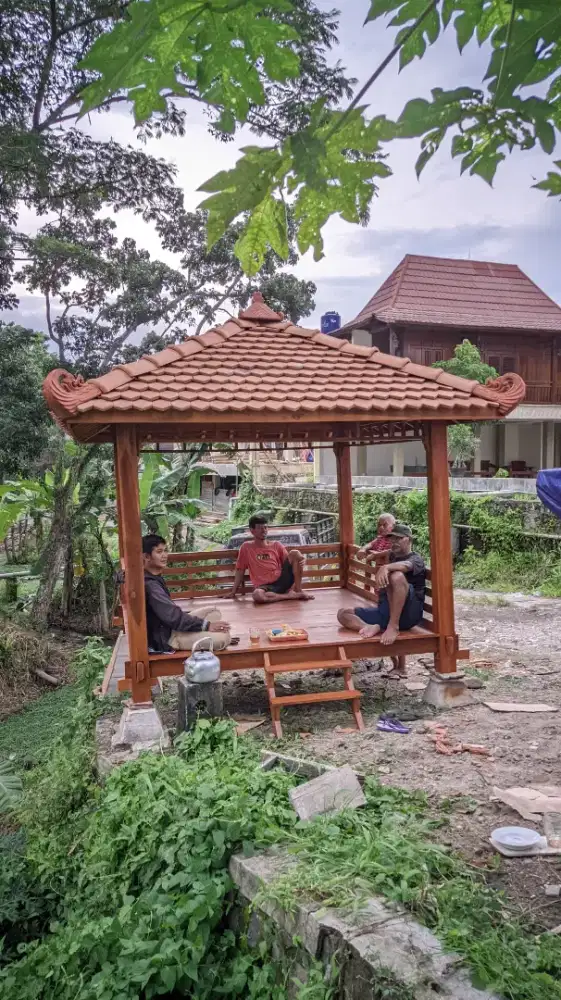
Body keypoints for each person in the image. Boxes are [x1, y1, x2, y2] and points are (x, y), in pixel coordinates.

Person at [337, 523, 425, 649]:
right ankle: (368, 627)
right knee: (343, 613)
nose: (394, 541)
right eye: (392, 538)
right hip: (386, 612)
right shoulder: (393, 555)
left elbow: (406, 565)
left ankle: (393, 626)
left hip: (407, 615)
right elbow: (387, 551)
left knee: (397, 576)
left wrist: (386, 567)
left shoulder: (416, 559)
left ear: (409, 539)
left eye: (399, 538)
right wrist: (373, 554)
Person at [143, 534, 231, 652]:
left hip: (168, 625)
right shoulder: (150, 585)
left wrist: (200, 624)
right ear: (147, 556)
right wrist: (208, 626)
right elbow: (173, 616)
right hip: (167, 638)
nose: (164, 555)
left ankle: (198, 631)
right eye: (159, 552)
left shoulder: (152, 576)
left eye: (165, 551)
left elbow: (170, 614)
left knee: (214, 612)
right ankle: (195, 634)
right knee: (223, 638)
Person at [228, 515, 314, 604]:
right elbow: (240, 570)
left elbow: (290, 563)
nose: (264, 530)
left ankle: (298, 591)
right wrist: (233, 592)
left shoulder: (276, 545)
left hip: (282, 580)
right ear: (252, 530)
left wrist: (302, 558)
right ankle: (290, 596)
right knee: (257, 595)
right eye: (260, 528)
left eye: (265, 527)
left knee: (295, 552)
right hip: (264, 586)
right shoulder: (246, 547)